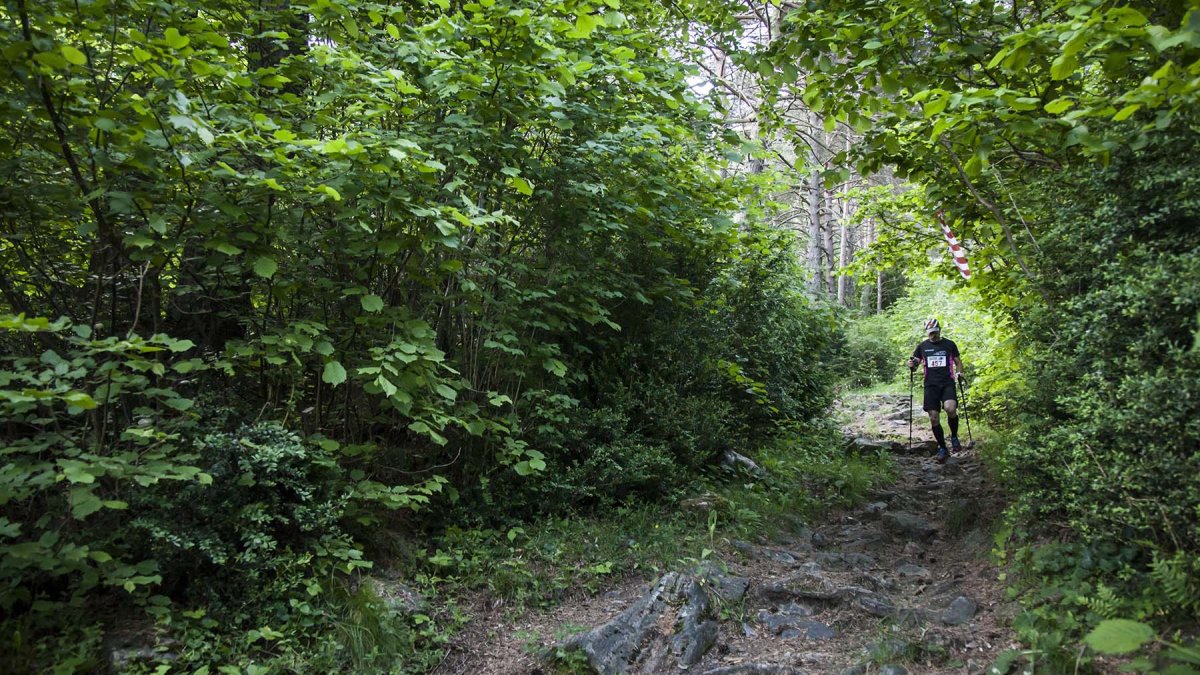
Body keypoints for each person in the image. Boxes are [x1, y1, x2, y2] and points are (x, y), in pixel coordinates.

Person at [908, 318, 965, 463]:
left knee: (950, 409)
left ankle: (954, 437)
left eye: (934, 332)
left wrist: (960, 373)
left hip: (947, 382)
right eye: (929, 333)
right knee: (933, 417)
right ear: (926, 332)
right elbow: (915, 365)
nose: (932, 335)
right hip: (930, 385)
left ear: (939, 330)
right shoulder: (922, 346)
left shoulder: (949, 344)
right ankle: (942, 447)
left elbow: (958, 362)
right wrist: (911, 365)